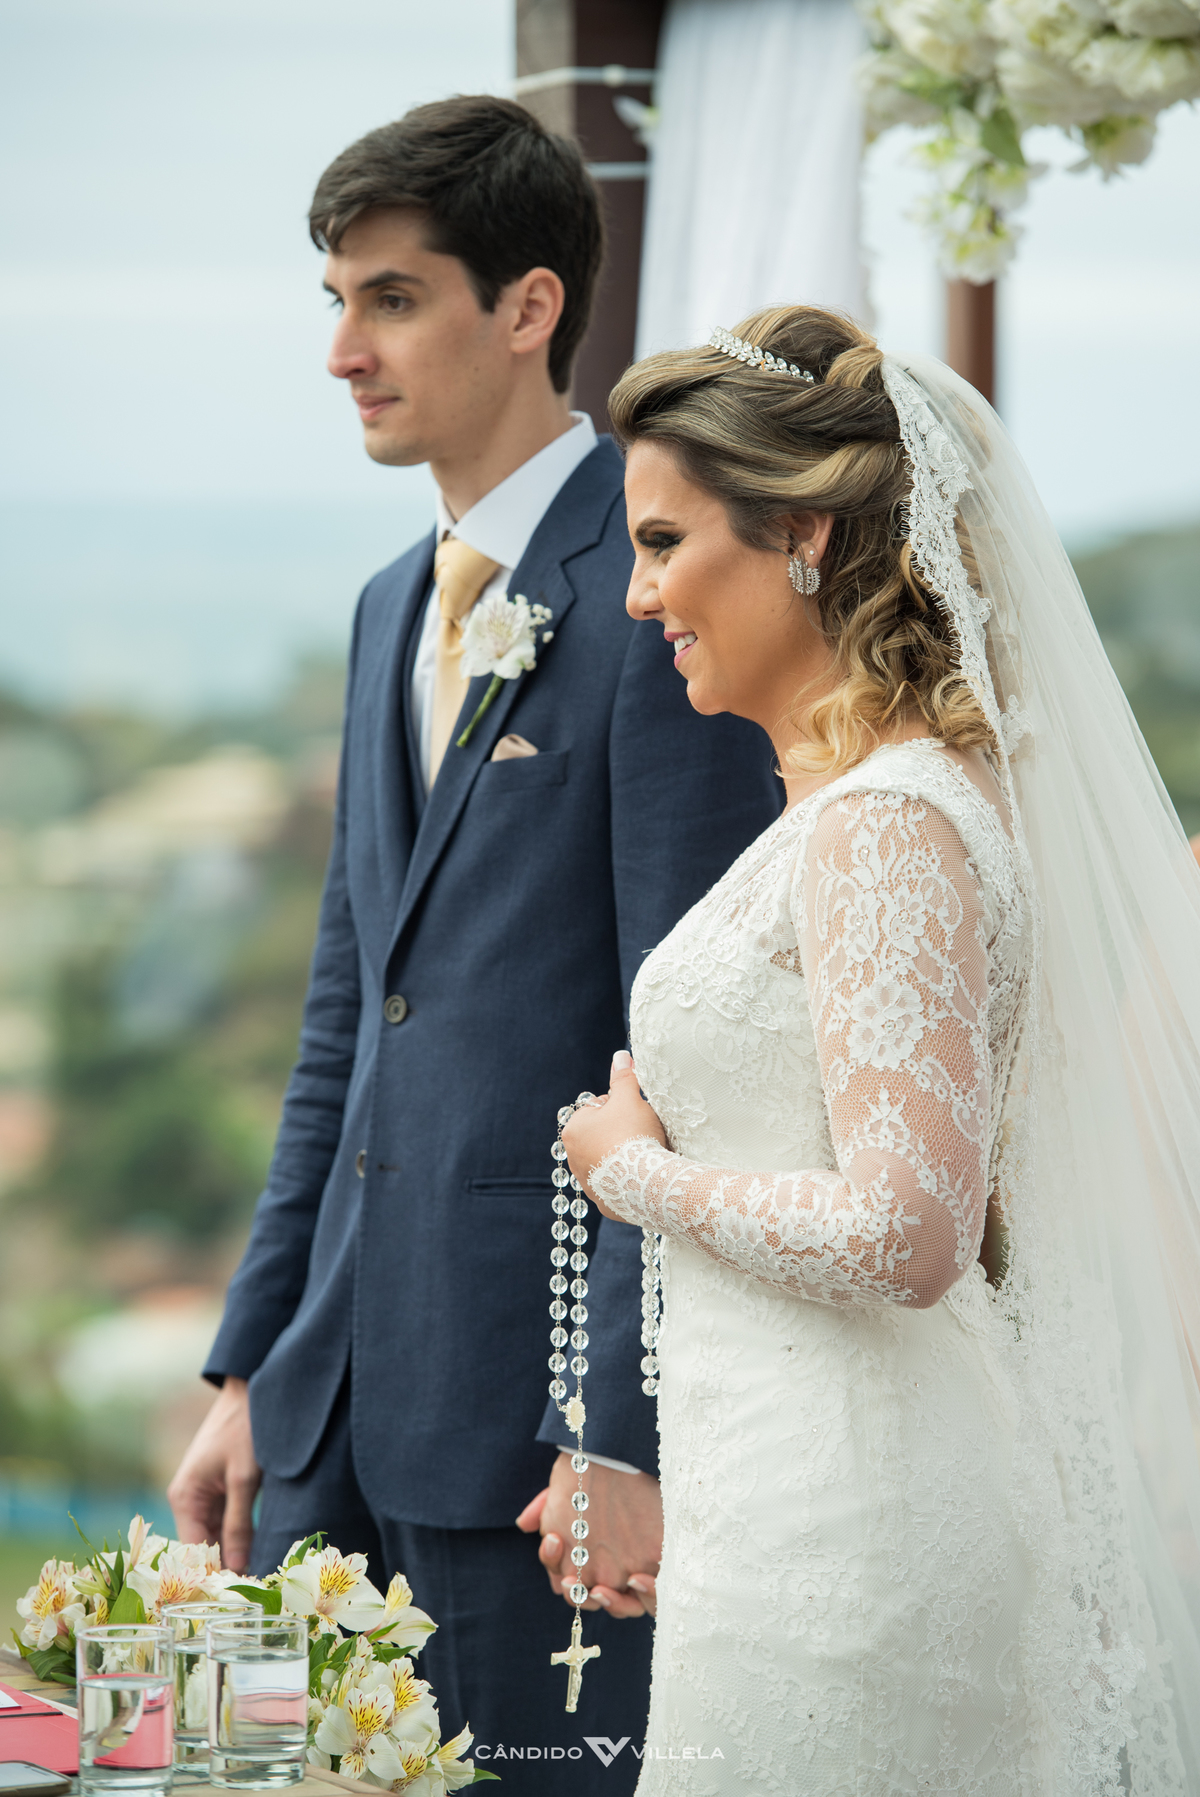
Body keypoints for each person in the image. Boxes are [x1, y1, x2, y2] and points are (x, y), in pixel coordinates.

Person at [166, 98, 780, 1788]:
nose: (344, 351)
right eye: (335, 301)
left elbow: (694, 1049)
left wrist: (617, 1427)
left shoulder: (659, 591)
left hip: (540, 1446)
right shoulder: (387, 605)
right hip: (331, 1429)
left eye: (390, 298)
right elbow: (346, 1028)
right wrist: (250, 1369)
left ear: (526, 308)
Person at [561, 305, 1200, 1790]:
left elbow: (909, 1228)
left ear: (801, 535)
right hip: (784, 1491)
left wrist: (635, 1172)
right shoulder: (852, 806)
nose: (643, 595)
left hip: (858, 1532)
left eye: (666, 544)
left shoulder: (889, 824)